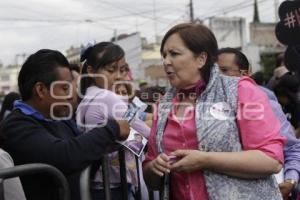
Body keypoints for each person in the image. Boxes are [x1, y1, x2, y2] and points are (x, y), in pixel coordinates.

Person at [142, 23, 285, 200]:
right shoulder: (164, 105)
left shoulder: (239, 90)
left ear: (201, 59)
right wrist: (154, 168)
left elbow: (271, 160)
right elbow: (151, 178)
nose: (166, 61)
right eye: (163, 55)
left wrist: (206, 160)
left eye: (174, 54)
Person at [0, 49, 130, 200]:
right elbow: (65, 156)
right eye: (65, 88)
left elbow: (83, 160)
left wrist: (106, 145)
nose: (72, 95)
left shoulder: (61, 120)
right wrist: (112, 128)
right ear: (41, 90)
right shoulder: (16, 127)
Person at [217, 47, 300, 200]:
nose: (218, 77)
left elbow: (292, 148)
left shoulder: (267, 105)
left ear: (246, 73)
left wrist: (291, 180)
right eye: (213, 72)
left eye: (224, 70)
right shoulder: (200, 110)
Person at [77, 42, 150, 200]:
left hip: (95, 181)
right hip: (114, 182)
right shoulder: (108, 97)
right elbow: (145, 132)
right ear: (91, 71)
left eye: (122, 69)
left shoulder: (86, 98)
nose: (118, 76)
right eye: (110, 70)